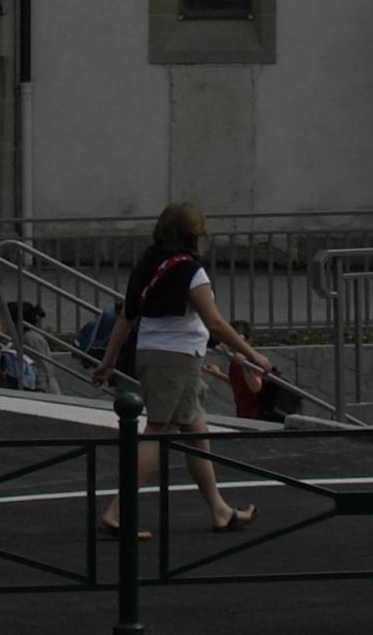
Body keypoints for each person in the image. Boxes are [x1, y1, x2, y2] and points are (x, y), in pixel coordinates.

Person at [91, 202, 270, 531]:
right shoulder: (191, 271)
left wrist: (107, 362)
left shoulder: (148, 263)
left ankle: (219, 508)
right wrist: (252, 355)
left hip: (153, 355)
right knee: (157, 431)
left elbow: (127, 319)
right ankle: (117, 512)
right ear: (194, 235)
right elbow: (214, 322)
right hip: (176, 360)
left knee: (196, 430)